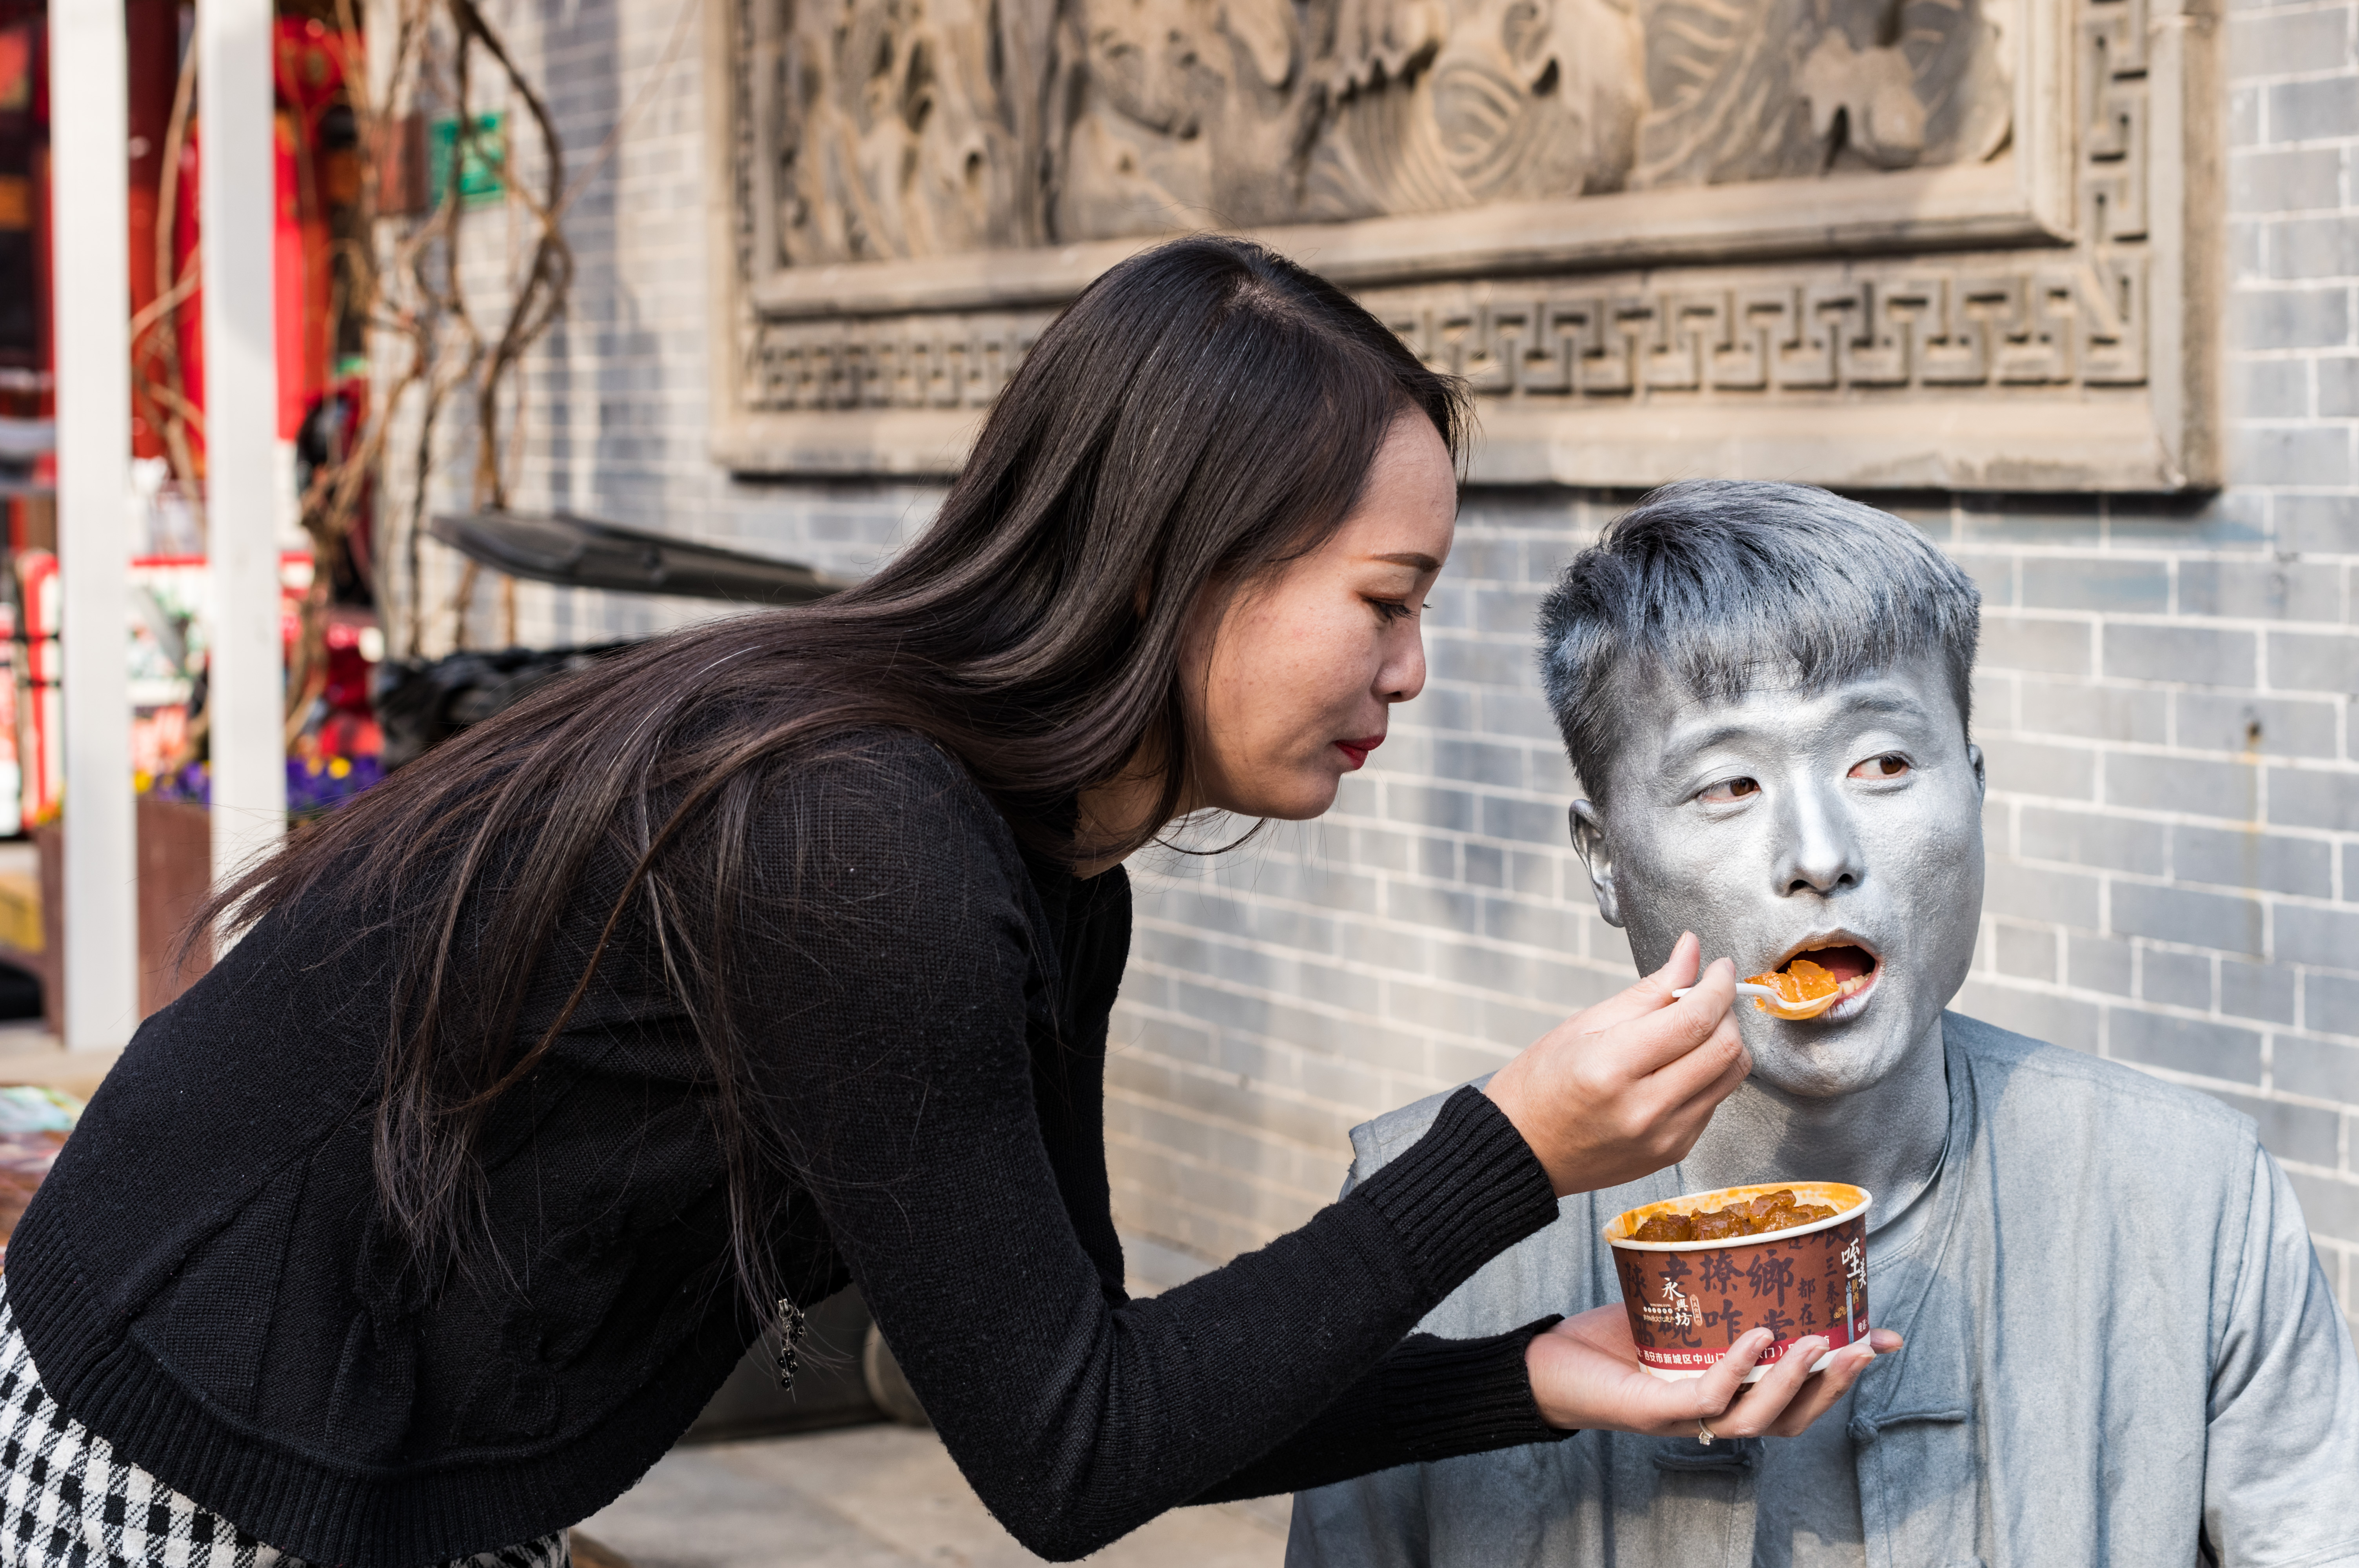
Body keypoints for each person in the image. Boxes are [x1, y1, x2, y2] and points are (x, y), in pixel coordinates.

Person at [1, 243, 1885, 1568]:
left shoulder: (1041, 877)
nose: (1407, 669)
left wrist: (1534, 1380)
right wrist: (1500, 1155)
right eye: (1384, 597)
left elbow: (1075, 1401)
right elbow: (1075, 1463)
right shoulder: (861, 848)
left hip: (412, 1436)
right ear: (1188, 561)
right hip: (205, 1437)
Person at [1287, 481, 2359, 1568]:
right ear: (1603, 859)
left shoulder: (2194, 1199)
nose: (1819, 853)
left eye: (1883, 764)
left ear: (1976, 791)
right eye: (1728, 785)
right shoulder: (1428, 1237)